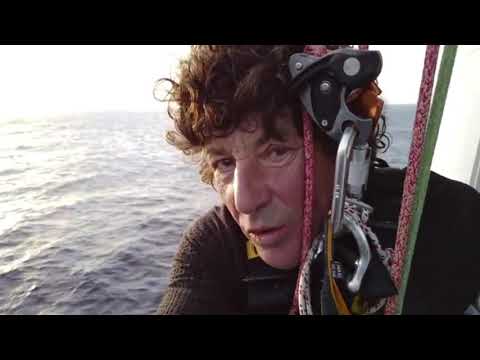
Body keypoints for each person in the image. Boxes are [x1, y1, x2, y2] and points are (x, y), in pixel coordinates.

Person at [156, 45, 480, 315]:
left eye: (275, 152)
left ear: (341, 146)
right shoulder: (215, 247)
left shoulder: (439, 217)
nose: (244, 201)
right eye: (224, 163)